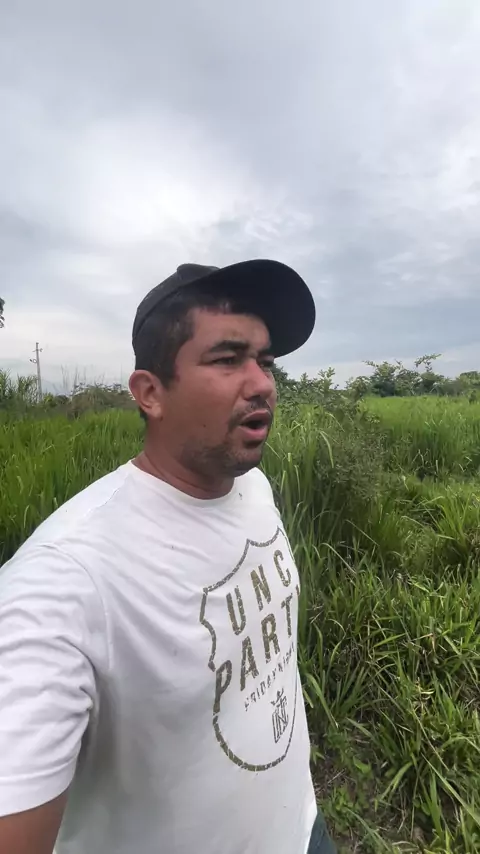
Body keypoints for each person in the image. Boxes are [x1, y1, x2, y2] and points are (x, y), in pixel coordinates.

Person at [0, 260, 336, 854]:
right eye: (228, 359)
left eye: (265, 361)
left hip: (303, 829)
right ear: (150, 393)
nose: (261, 383)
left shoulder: (252, 487)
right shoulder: (62, 584)